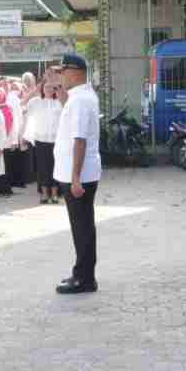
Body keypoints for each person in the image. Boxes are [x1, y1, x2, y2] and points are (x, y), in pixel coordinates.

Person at [53, 53, 101, 294]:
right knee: (82, 225)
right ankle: (83, 274)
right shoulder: (78, 97)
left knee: (81, 227)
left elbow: (80, 140)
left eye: (63, 72)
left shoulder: (80, 100)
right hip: (79, 173)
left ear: (75, 73)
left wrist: (75, 178)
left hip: (78, 176)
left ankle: (84, 278)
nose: (60, 76)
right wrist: (64, 101)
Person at [24, 82, 61, 204]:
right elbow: (22, 103)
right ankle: (44, 193)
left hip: (56, 140)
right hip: (40, 139)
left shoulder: (59, 103)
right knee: (42, 167)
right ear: (42, 89)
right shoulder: (36, 102)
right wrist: (34, 90)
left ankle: (55, 193)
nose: (49, 89)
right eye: (46, 87)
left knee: (55, 166)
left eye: (51, 87)